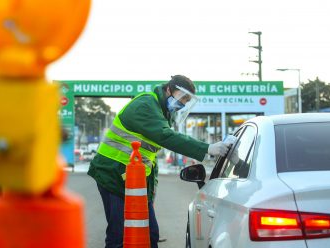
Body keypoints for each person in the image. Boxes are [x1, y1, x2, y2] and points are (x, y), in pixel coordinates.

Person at [87, 75, 236, 248]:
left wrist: (149, 191)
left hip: (133, 178)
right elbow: (166, 137)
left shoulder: (163, 111)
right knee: (118, 234)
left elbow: (149, 154)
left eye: (187, 101)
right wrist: (207, 148)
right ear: (168, 90)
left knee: (151, 233)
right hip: (111, 173)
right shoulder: (146, 105)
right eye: (182, 98)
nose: (183, 103)